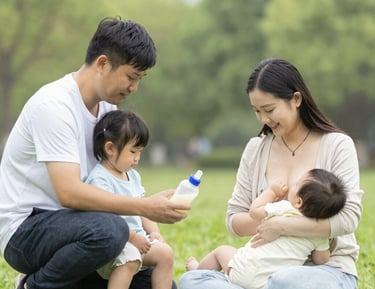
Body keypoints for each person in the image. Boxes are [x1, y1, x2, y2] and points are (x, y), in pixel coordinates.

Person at [0, 17, 189, 289]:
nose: (134, 87)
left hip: (83, 232)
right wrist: (144, 207)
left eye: (140, 79)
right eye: (131, 76)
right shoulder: (55, 105)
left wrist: (149, 224)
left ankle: (63, 280)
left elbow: (113, 185)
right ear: (102, 64)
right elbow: (69, 193)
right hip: (28, 232)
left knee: (157, 284)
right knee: (111, 230)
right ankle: (35, 285)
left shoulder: (108, 112)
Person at [179, 58, 363, 289]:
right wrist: (266, 219)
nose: (263, 119)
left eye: (269, 109)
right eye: (256, 111)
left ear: (296, 99)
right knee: (192, 281)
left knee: (285, 281)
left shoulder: (336, 145)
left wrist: (283, 226)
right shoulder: (256, 149)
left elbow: (348, 218)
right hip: (264, 270)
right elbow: (234, 219)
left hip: (323, 273)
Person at [186, 168, 347, 289]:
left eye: (297, 184)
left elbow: (255, 211)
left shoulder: (283, 209)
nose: (293, 184)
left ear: (298, 202)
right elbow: (321, 260)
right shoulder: (319, 234)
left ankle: (197, 270)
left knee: (221, 251)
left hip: (243, 270)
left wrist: (271, 192)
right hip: (268, 282)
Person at [85, 109, 174, 289]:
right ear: (109, 148)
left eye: (140, 152)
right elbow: (106, 219)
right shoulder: (100, 179)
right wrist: (131, 237)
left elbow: (143, 209)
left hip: (138, 241)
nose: (137, 158)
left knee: (165, 254)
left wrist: (154, 232)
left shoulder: (132, 176)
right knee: (130, 260)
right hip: (114, 242)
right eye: (133, 151)